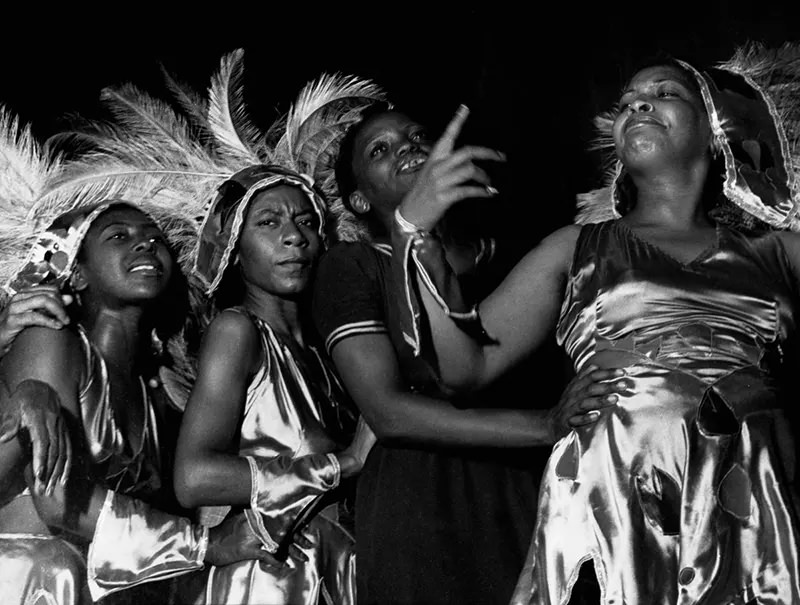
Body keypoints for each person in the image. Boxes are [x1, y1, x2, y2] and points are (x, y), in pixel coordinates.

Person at [389, 43, 800, 603]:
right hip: (612, 485)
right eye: (628, 101)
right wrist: (413, 230)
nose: (638, 106)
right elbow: (466, 368)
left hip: (748, 484)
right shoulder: (575, 246)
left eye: (663, 94)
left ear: (715, 131)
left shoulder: (780, 251)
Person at [308, 101, 628, 605]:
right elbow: (388, 412)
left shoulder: (525, 258)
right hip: (423, 501)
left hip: (529, 490)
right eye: (379, 150)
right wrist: (543, 426)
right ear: (359, 200)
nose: (407, 148)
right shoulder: (353, 266)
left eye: (417, 136)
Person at [0, 107, 275, 605]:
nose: (145, 244)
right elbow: (57, 499)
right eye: (119, 237)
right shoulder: (50, 338)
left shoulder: (159, 392)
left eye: (154, 238)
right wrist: (207, 546)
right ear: (77, 274)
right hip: (31, 578)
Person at [172, 164, 374, 605]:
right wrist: (344, 464)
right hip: (268, 578)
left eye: (306, 221)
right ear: (235, 249)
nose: (294, 236)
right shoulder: (237, 330)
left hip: (336, 571)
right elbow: (194, 477)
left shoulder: (329, 351)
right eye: (268, 222)